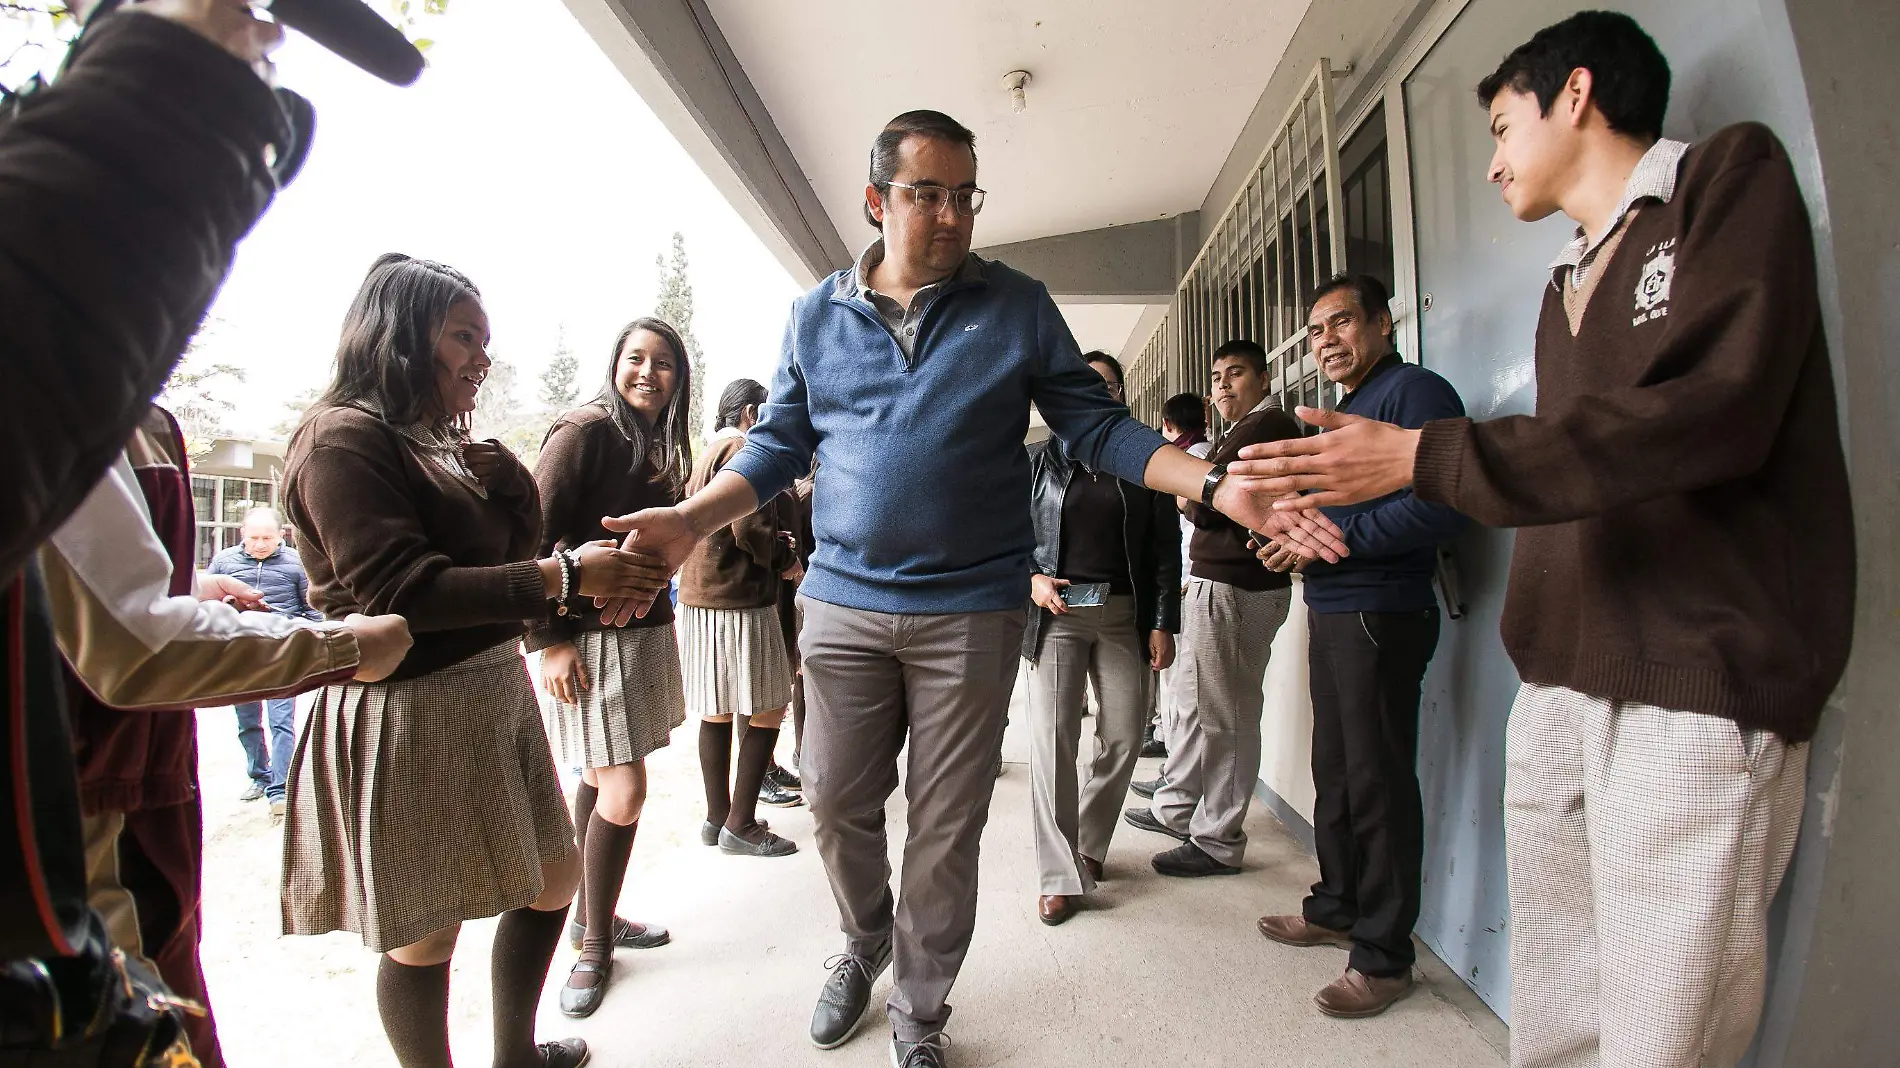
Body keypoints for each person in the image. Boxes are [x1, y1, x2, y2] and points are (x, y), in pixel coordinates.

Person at [589, 109, 1335, 1068]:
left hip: (970, 613)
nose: (950, 215)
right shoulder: (816, 316)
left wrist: (1221, 486)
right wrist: (690, 519)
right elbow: (779, 444)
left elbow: (1096, 427)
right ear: (876, 200)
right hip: (845, 603)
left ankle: (920, 1011)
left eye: (964, 196)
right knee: (833, 801)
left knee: (947, 826)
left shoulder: (1015, 306)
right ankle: (864, 942)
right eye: (925, 194)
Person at [1233, 13, 1853, 1066]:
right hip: (1560, 676)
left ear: (1574, 95)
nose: (1491, 161)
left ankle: (1376, 942)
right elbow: (1566, 472)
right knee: (1559, 1013)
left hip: (1691, 677)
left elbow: (1717, 411)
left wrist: (1419, 461)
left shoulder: (1721, 181)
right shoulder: (1562, 283)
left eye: (1503, 124)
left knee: (1662, 1028)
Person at [280, 254, 669, 1068]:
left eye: (485, 341)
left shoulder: (433, 443)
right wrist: (563, 580)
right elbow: (402, 591)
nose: (482, 359)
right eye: (464, 337)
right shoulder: (340, 439)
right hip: (408, 710)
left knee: (553, 881)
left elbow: (514, 543)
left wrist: (516, 491)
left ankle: (514, 1056)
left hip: (492, 696)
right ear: (398, 335)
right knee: (428, 936)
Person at [0, 0, 299, 979]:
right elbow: (127, 643)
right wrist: (173, 80)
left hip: (139, 769)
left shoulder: (151, 424)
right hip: (87, 783)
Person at [43, 404, 411, 1066]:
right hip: (88, 817)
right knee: (134, 1023)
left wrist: (183, 587)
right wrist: (341, 648)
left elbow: (83, 592)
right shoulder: (54, 400)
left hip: (139, 788)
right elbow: (134, 645)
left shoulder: (112, 405)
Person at [1250, 275, 1467, 1019]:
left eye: (1342, 322)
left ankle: (1384, 957)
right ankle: (1337, 904)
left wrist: (1333, 545)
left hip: (1384, 611)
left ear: (1382, 322)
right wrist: (1287, 539)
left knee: (1377, 782)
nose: (1327, 341)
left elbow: (1443, 503)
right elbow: (1324, 517)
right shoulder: (1341, 412)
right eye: (1315, 331)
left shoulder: (1415, 394)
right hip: (1336, 609)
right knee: (1335, 770)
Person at [528, 318, 691, 1019]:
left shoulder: (659, 441)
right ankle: (594, 946)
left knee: (599, 779)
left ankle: (594, 914)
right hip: (589, 638)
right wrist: (548, 639)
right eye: (635, 359)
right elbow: (529, 537)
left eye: (663, 362)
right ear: (614, 365)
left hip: (641, 633)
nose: (648, 373)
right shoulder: (585, 429)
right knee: (623, 790)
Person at [1123, 340, 1303, 878]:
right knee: (1212, 710)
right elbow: (1202, 500)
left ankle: (1218, 840)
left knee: (1227, 718)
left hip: (1236, 587)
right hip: (1225, 584)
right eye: (1218, 376)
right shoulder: (1238, 433)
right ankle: (1183, 812)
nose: (1224, 385)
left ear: (1265, 380)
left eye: (1237, 374)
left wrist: (1197, 497)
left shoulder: (1262, 430)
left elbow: (1204, 506)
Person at [1022, 351, 1179, 927]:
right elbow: (1006, 537)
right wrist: (1030, 579)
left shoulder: (1143, 463)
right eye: (1084, 385)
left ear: (1122, 394)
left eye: (1107, 385)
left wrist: (1163, 620)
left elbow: (1165, 549)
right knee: (1054, 742)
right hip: (1058, 611)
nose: (1097, 393)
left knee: (1124, 735)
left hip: (1123, 613)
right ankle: (1059, 874)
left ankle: (1089, 842)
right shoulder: (1036, 463)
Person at [677, 378, 802, 859]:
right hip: (740, 596)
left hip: (702, 594)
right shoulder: (743, 449)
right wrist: (782, 559)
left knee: (717, 707)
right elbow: (748, 525)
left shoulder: (709, 451)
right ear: (752, 412)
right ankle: (742, 823)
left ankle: (716, 818)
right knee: (769, 704)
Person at [206, 506, 322, 820]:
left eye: (267, 537)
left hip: (280, 655)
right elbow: (207, 607)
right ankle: (258, 775)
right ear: (243, 534)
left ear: (281, 535)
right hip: (238, 656)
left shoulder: (297, 564)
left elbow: (311, 610)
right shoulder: (224, 563)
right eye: (254, 537)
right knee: (247, 722)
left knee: (281, 723)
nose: (260, 543)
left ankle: (280, 788)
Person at [1136, 392, 1213, 766]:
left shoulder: (1178, 462)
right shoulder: (1215, 451)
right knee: (1183, 679)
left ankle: (1171, 756)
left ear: (1167, 425)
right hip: (1193, 578)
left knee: (1177, 677)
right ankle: (1171, 753)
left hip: (1186, 579)